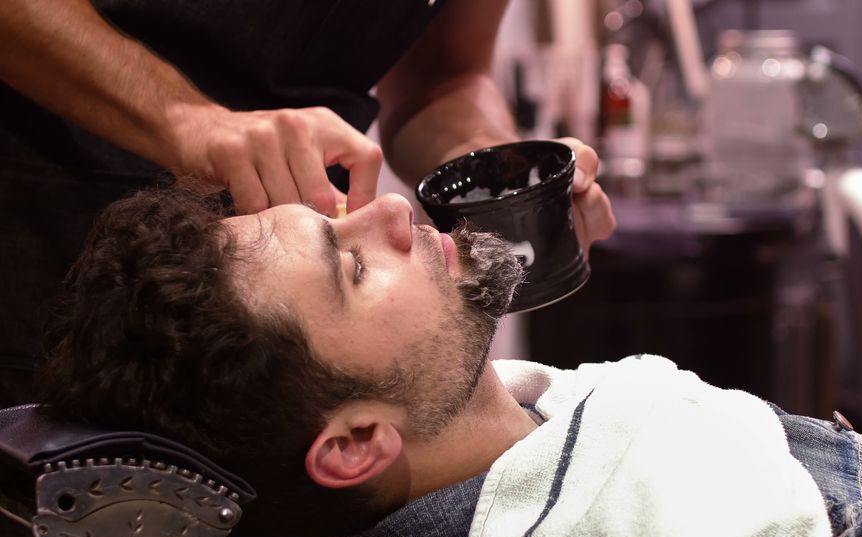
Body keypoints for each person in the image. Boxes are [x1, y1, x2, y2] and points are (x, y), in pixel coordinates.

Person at [32, 188, 862, 537]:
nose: (389, 213)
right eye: (352, 266)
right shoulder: (604, 526)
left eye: (338, 213)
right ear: (352, 442)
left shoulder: (540, 425)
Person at [0, 0, 615, 407]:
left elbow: (443, 77)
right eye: (356, 267)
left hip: (303, 268)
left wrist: (497, 171)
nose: (398, 213)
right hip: (42, 216)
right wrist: (185, 120)